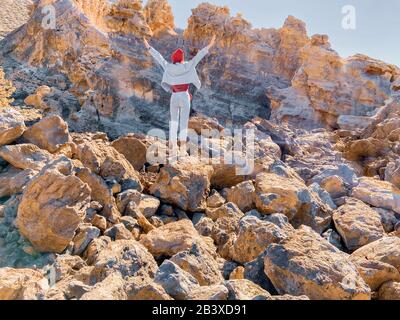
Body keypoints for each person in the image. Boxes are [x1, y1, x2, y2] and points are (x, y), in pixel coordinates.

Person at [143, 35, 216, 157]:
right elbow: (199, 56)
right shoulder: (188, 65)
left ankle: (172, 147)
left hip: (174, 96)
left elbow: (158, 57)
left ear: (173, 59)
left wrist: (148, 46)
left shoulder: (168, 66)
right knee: (183, 122)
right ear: (182, 59)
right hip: (185, 96)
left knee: (173, 121)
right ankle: (182, 148)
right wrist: (210, 44)